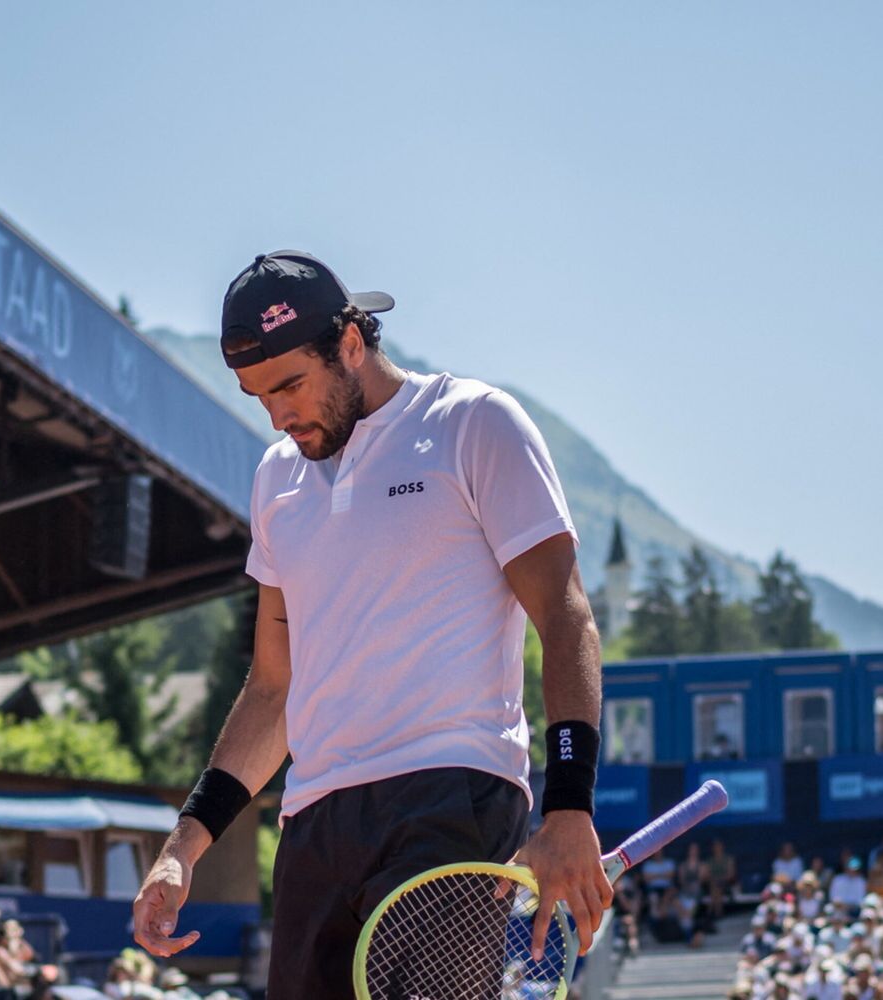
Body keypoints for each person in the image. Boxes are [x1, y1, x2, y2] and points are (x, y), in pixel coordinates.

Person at [131, 250, 609, 998]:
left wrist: (570, 805)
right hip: (315, 821)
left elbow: (566, 616)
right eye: (259, 396)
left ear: (352, 343)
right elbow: (273, 689)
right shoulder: (276, 479)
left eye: (291, 384)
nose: (280, 415)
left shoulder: (473, 422)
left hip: (450, 794)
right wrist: (183, 846)